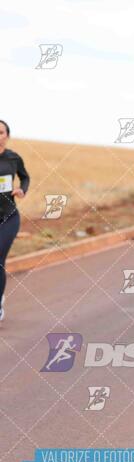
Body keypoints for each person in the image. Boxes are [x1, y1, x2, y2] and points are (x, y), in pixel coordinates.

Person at [0, 119, 30, 321]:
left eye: (1, 132)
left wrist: (21, 190)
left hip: (8, 217)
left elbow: (25, 177)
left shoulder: (13, 158)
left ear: (7, 136)